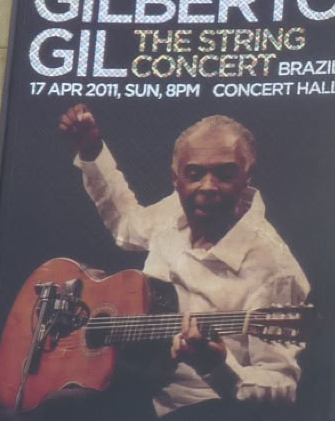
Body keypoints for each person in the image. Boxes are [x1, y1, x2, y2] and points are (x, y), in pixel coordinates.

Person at [59, 104, 309, 417]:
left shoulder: (275, 269)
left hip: (200, 407)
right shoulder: (173, 211)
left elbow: (281, 387)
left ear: (247, 176)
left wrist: (216, 367)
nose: (208, 187)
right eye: (195, 174)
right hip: (131, 382)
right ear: (176, 179)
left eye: (225, 173)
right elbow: (127, 225)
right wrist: (92, 152)